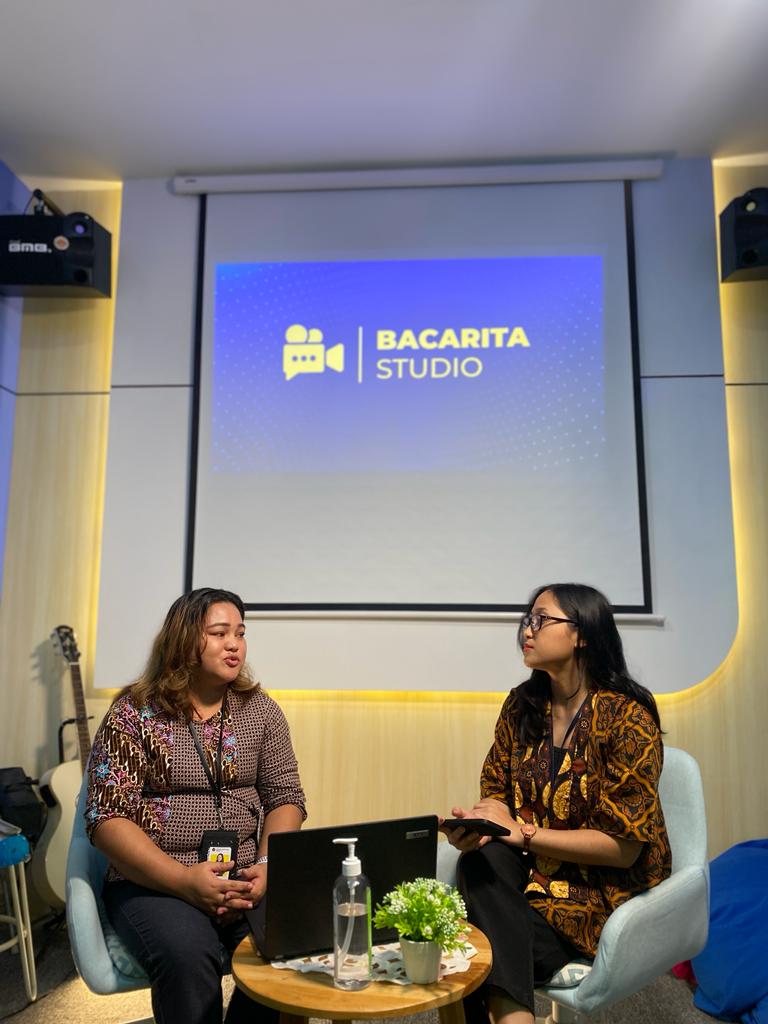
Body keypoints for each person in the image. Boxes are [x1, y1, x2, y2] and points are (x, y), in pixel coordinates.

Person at [442, 583, 671, 1024]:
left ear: (581, 634)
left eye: (541, 619)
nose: (527, 630)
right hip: (532, 881)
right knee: (481, 861)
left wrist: (524, 835)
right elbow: (496, 790)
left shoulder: (628, 718)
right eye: (528, 619)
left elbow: (623, 848)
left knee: (466, 941)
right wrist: (483, 822)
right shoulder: (522, 705)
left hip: (600, 898)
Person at [86, 588, 306, 1024]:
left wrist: (266, 865)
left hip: (244, 875)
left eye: (240, 633)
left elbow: (286, 797)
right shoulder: (133, 713)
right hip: (155, 880)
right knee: (188, 957)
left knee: (296, 941)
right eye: (220, 633)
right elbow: (107, 819)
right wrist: (185, 881)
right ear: (185, 640)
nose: (234, 644)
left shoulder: (260, 710)